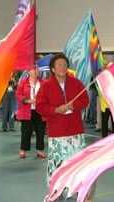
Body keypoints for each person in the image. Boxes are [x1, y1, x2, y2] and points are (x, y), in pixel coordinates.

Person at [36, 53, 93, 201]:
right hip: (57, 132)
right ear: (53, 69)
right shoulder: (45, 86)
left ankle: (82, 191)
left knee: (78, 163)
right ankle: (57, 190)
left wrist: (74, 106)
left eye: (65, 64)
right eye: (59, 64)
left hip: (75, 131)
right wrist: (56, 110)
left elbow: (85, 100)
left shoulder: (76, 83)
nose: (62, 67)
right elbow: (40, 107)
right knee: (58, 164)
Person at [16, 66, 46, 158]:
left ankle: (39, 150)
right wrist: (27, 100)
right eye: (34, 69)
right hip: (27, 110)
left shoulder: (43, 83)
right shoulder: (23, 82)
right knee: (26, 131)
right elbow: (18, 94)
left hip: (39, 111)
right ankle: (23, 150)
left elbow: (46, 95)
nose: (36, 71)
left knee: (40, 131)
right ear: (29, 71)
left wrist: (41, 100)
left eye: (37, 69)